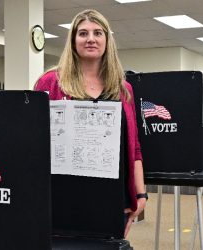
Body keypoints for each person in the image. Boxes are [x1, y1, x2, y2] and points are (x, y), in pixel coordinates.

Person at [34, 9, 146, 238]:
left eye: (98, 33)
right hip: (62, 195)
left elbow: (134, 148)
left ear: (107, 40)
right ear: (73, 40)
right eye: (83, 33)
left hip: (112, 196)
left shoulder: (124, 90)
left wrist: (141, 195)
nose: (91, 39)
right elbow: (34, 140)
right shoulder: (51, 82)